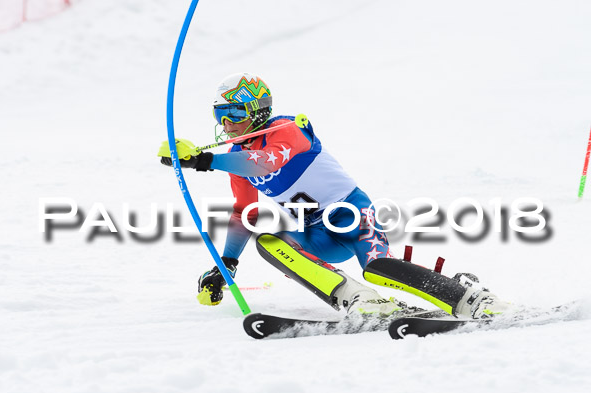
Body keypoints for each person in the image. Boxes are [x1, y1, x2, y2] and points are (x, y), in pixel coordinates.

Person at [159, 72, 510, 319]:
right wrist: (227, 264)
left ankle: (471, 298)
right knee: (268, 240)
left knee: (377, 267)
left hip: (352, 215)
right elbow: (243, 213)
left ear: (257, 111)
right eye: (221, 115)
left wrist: (205, 160)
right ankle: (358, 300)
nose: (227, 124)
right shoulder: (236, 159)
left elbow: (264, 162)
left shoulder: (289, 129)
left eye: (235, 113)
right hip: (314, 231)